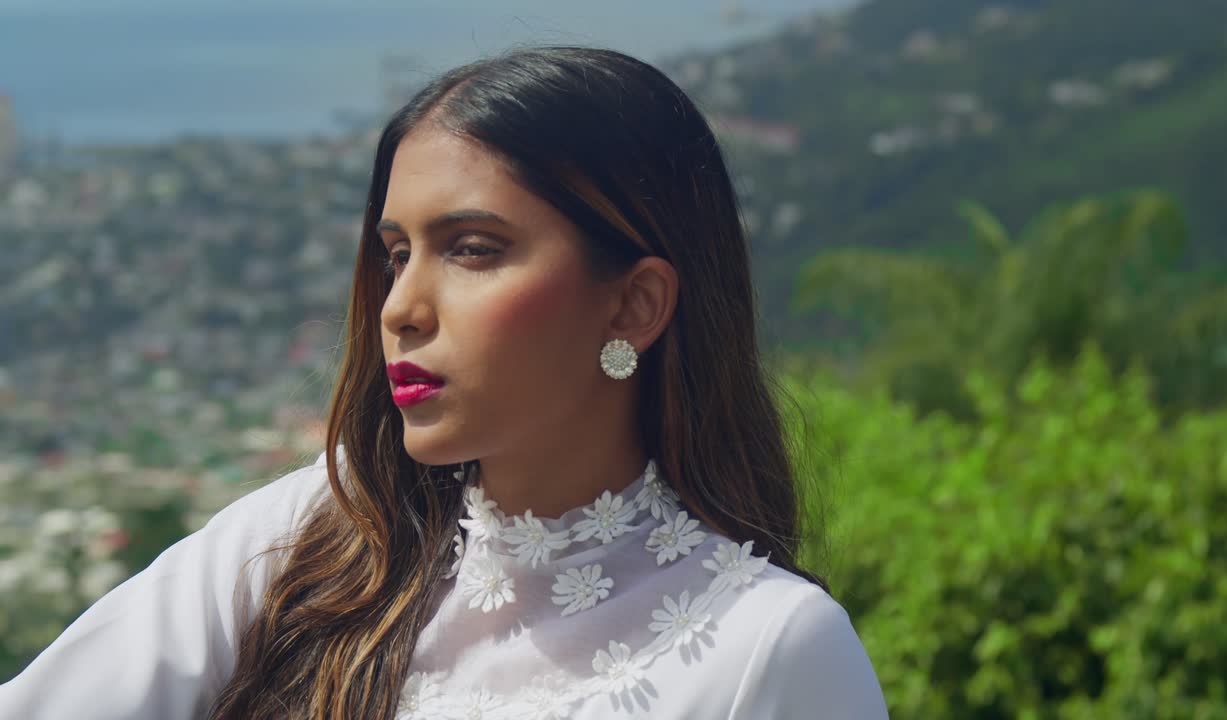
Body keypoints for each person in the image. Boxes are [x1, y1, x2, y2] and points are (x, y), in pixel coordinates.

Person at [0, 46, 889, 719]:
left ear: (634, 305)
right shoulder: (318, 537)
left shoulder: (770, 648)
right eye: (396, 254)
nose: (400, 307)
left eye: (472, 249)